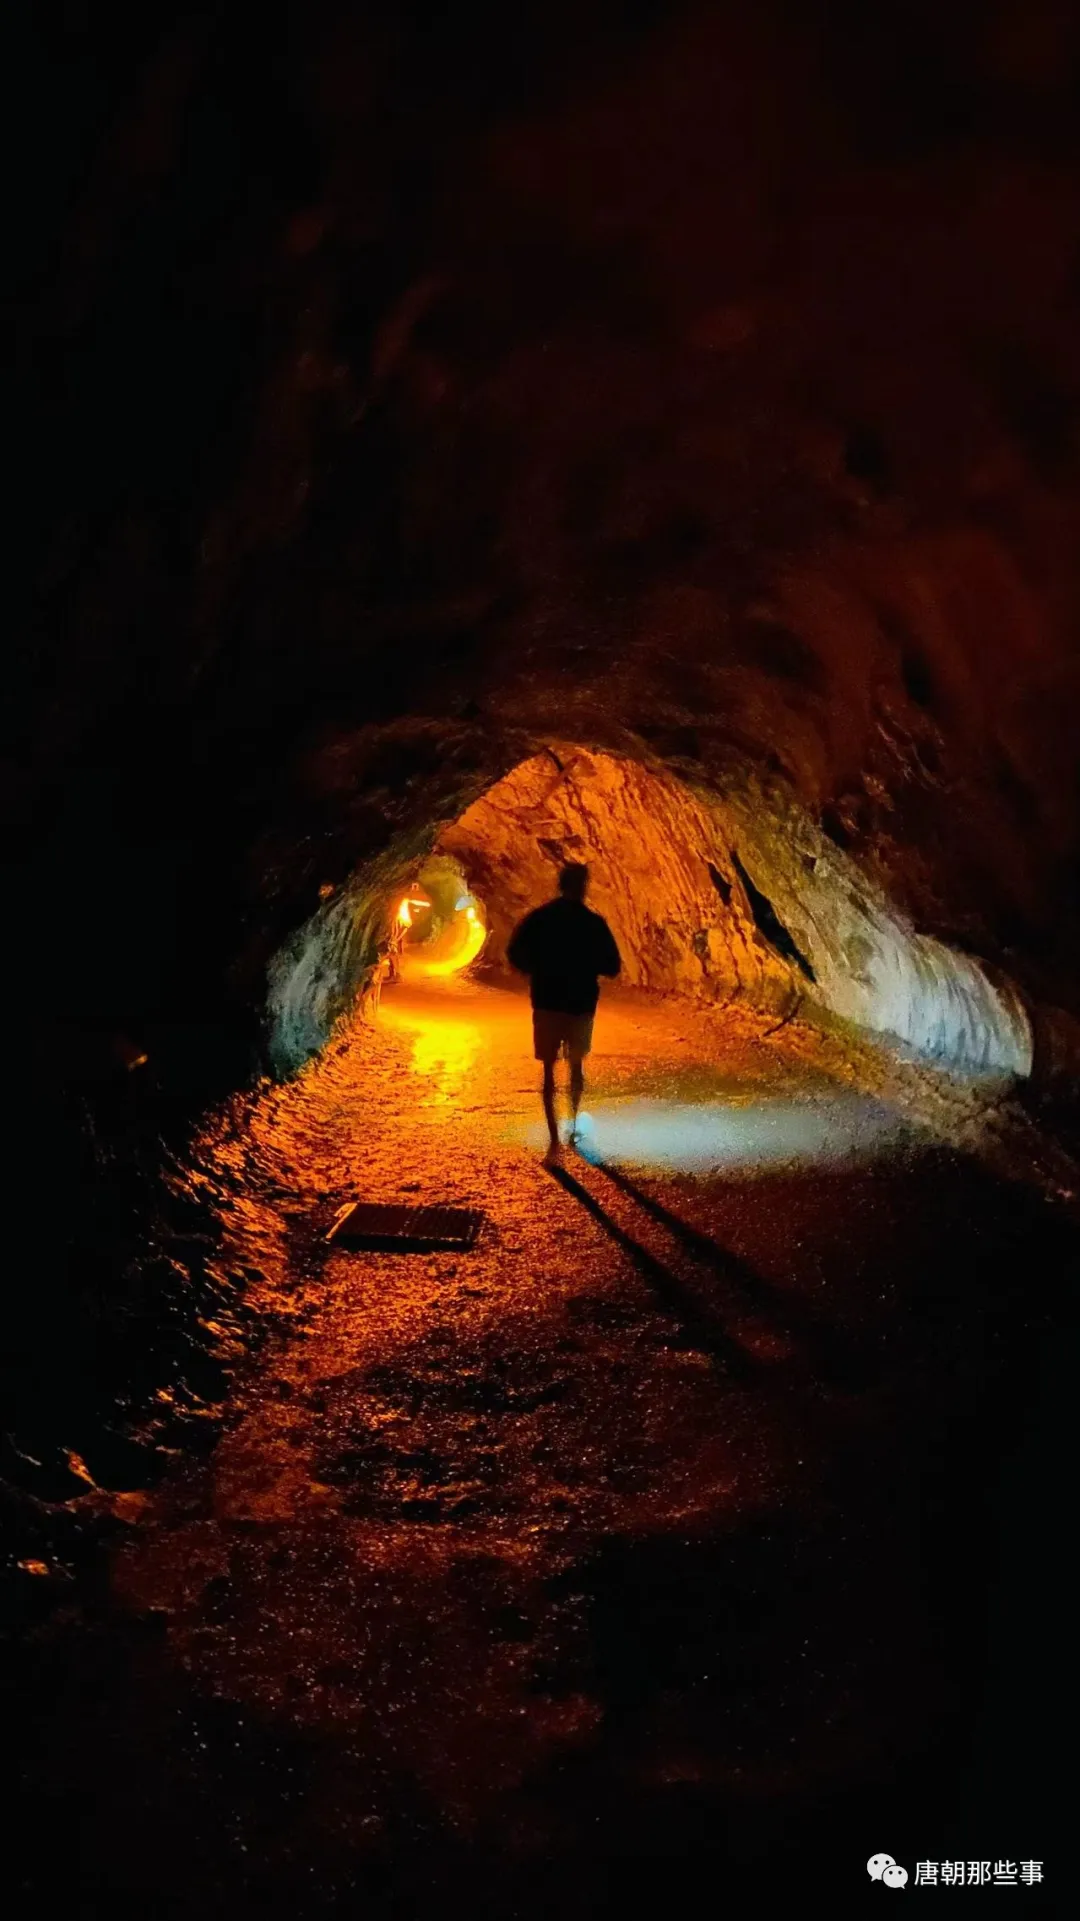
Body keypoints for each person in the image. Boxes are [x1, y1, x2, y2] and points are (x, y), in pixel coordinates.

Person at [507, 862, 621, 1161]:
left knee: (548, 1071)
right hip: (581, 1004)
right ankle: (571, 1128)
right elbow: (613, 966)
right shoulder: (593, 923)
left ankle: (554, 1142)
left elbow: (515, 952)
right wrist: (587, 966)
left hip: (547, 1001)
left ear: (560, 884)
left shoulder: (540, 919)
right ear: (583, 886)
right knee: (576, 1067)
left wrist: (537, 970)